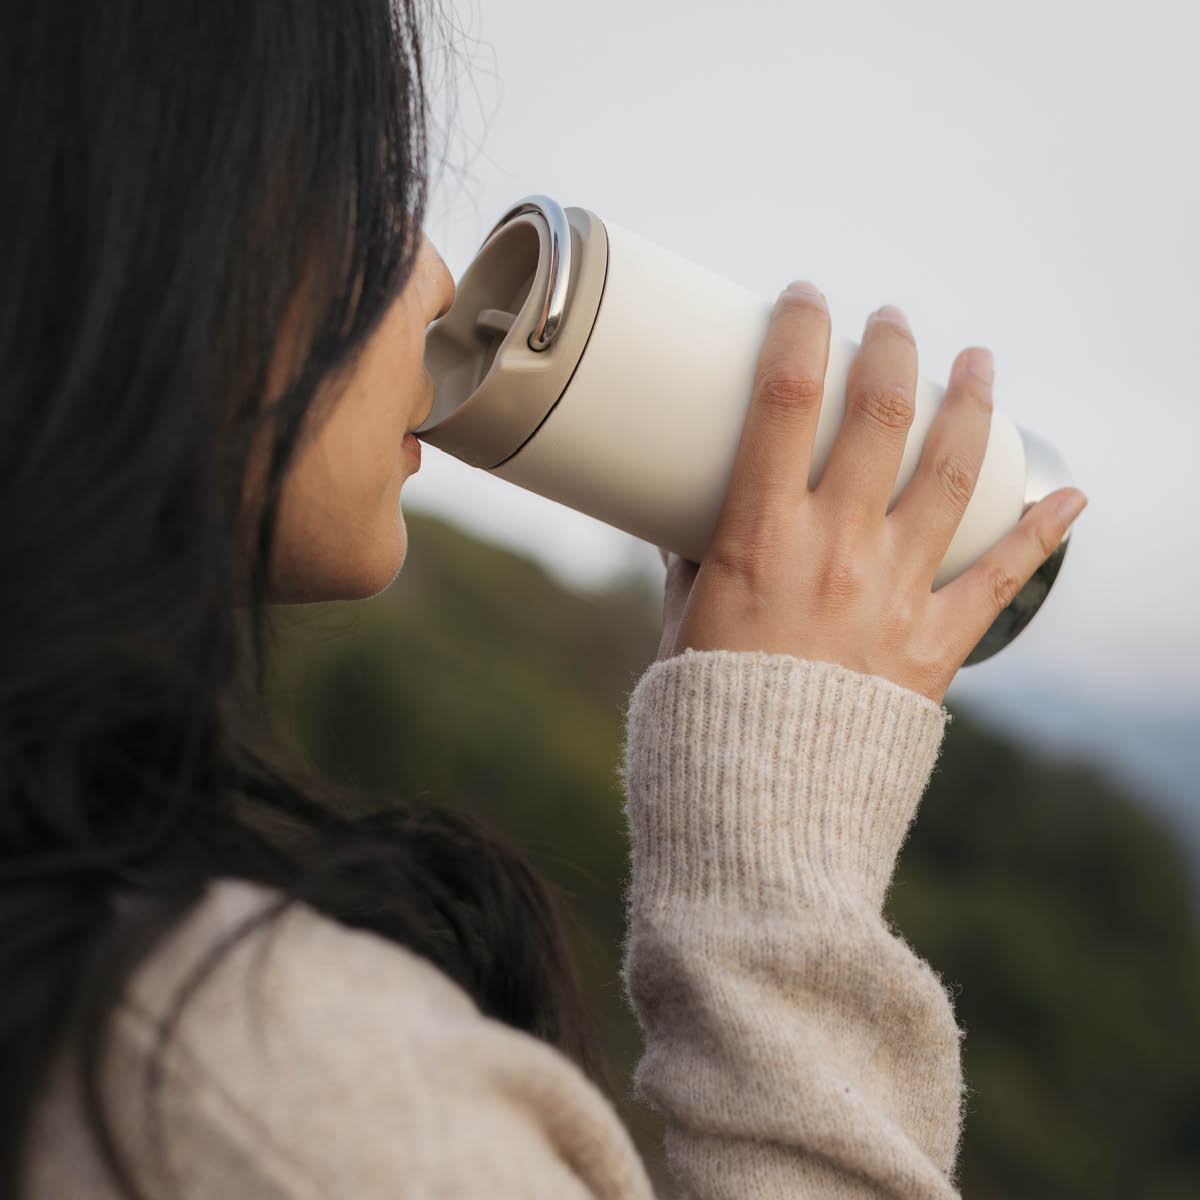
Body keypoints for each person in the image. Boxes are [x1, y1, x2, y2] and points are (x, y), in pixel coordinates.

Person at [0, 2, 1088, 1197]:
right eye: (351, 189)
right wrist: (782, 859)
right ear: (114, 243)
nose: (429, 273)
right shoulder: (258, 1097)